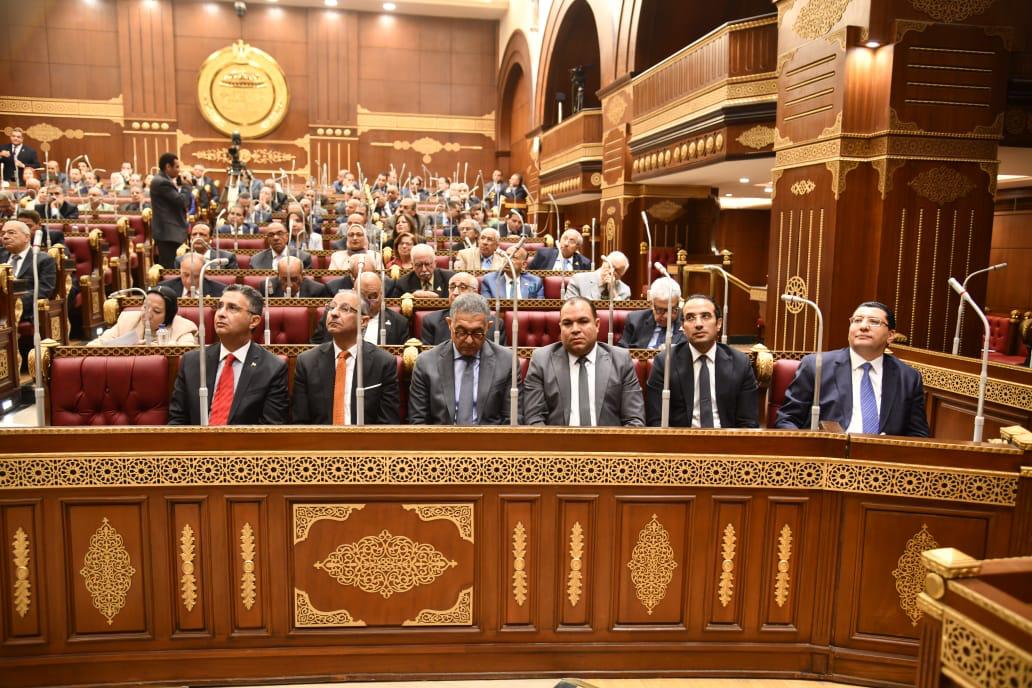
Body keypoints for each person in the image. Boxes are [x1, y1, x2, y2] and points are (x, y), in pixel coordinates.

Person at [775, 301, 930, 436]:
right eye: (857, 320)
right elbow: (787, 420)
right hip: (827, 455)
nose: (863, 326)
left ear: (890, 335)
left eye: (874, 322)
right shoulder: (817, 365)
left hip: (884, 458)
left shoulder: (908, 377)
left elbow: (918, 435)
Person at [168, 285, 288, 425]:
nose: (221, 313)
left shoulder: (272, 368)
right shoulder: (192, 362)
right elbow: (177, 421)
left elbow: (270, 429)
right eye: (219, 306)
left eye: (232, 308)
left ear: (254, 321)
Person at [523, 297, 644, 426]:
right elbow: (534, 420)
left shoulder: (620, 360)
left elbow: (634, 420)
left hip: (608, 439)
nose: (575, 329)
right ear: (560, 327)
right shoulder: (541, 360)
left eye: (583, 321)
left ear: (597, 325)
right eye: (567, 323)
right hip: (557, 439)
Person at [644, 293, 758, 428]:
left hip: (726, 439)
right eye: (690, 318)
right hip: (680, 439)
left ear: (719, 324)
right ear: (683, 326)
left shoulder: (740, 363)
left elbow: (748, 423)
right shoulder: (665, 363)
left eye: (705, 316)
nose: (698, 324)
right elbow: (656, 421)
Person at [292, 289, 400, 425]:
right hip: (320, 438)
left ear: (363, 321)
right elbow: (300, 422)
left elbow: (388, 423)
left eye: (345, 309)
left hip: (366, 438)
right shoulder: (307, 362)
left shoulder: (383, 362)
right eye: (331, 307)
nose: (334, 313)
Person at [408, 293, 517, 425]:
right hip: (440, 437)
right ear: (450, 324)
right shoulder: (426, 363)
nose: (469, 340)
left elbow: (512, 421)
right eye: (461, 332)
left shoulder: (507, 361)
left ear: (488, 327)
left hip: (491, 437)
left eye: (477, 333)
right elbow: (418, 421)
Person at [313, 271, 409, 345]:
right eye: (361, 295)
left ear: (382, 295)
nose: (366, 301)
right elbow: (315, 348)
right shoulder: (333, 315)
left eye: (372, 296)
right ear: (353, 292)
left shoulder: (399, 323)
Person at [90, 286, 198, 345]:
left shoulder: (183, 328)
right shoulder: (127, 320)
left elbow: (187, 354)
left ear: (168, 315)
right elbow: (96, 345)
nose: (147, 314)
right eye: (145, 307)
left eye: (156, 311)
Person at [419, 272, 504, 346]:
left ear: (475, 292)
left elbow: (500, 356)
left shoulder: (495, 324)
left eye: (462, 287)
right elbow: (429, 357)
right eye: (452, 287)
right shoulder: (431, 321)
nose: (455, 292)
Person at [619, 277, 686, 349]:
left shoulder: (686, 322)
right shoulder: (634, 320)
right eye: (660, 310)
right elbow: (621, 351)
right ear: (651, 304)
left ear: (678, 303)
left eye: (672, 309)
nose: (666, 316)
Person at [150, 153, 192, 268]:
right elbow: (182, 202)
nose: (179, 170)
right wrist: (186, 186)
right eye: (177, 167)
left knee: (172, 266)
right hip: (168, 233)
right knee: (169, 268)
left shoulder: (162, 180)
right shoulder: (162, 182)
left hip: (169, 232)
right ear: (168, 166)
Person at [387, 243, 452, 298]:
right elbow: (395, 307)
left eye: (427, 264)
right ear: (412, 265)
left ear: (435, 263)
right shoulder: (402, 283)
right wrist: (411, 296)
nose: (424, 269)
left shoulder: (449, 279)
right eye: (418, 265)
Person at [565, 251, 631, 300]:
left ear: (622, 274)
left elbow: (620, 313)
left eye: (617, 270)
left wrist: (613, 291)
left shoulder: (625, 291)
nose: (611, 271)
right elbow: (569, 307)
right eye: (610, 266)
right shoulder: (578, 280)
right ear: (604, 263)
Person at [157, 252, 227, 298]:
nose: (189, 281)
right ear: (180, 271)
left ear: (204, 273)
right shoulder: (163, 289)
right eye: (186, 275)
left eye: (195, 276)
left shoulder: (220, 291)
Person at [174, 223, 238, 269]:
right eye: (194, 234)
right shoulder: (181, 260)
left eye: (202, 234)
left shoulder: (227, 258)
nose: (197, 237)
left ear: (210, 238)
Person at [262, 255, 330, 298]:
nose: (289, 284)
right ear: (278, 275)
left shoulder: (317, 290)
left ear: (302, 275)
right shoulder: (266, 287)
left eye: (294, 279)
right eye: (285, 279)